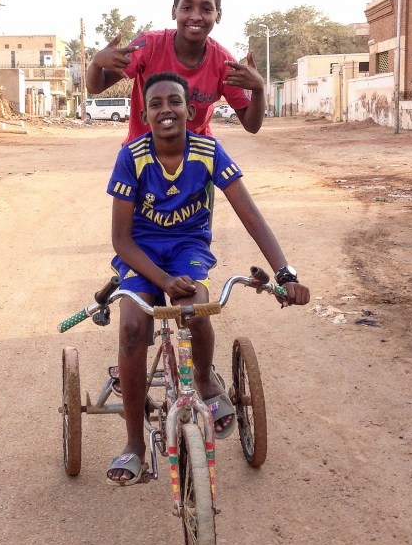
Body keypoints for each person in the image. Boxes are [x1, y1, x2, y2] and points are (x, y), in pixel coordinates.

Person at [105, 72, 310, 485]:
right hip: (142, 254)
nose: (166, 110)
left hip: (187, 248)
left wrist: (285, 272)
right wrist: (161, 280)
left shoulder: (209, 151)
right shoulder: (133, 155)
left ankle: (203, 379)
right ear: (144, 115)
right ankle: (134, 446)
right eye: (156, 104)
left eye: (175, 102)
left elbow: (250, 214)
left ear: (190, 110)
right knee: (131, 324)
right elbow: (121, 240)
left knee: (195, 311)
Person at [86, 0, 265, 145]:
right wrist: (96, 64)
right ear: (174, 11)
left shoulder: (224, 63)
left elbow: (252, 125)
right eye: (187, 8)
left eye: (206, 9)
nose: (195, 16)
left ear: (218, 15)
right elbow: (96, 86)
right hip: (142, 153)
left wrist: (258, 89)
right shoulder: (148, 46)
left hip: (195, 157)